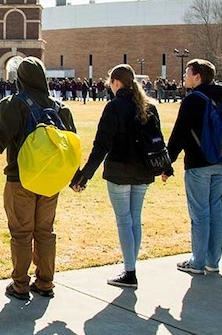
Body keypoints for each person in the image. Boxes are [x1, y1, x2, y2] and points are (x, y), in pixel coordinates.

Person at [0, 57, 76, 300]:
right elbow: (72, 145)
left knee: (21, 233)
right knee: (45, 232)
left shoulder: (13, 104)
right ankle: (45, 282)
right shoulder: (60, 107)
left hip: (21, 179)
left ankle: (20, 284)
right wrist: (76, 177)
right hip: (50, 181)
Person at [70, 64, 168, 289]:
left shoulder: (114, 107)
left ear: (115, 82)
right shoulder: (148, 107)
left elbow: (100, 147)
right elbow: (158, 141)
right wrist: (166, 166)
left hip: (120, 170)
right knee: (135, 218)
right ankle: (130, 267)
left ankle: (130, 271)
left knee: (125, 220)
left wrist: (84, 177)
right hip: (143, 170)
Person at [166, 59, 222, 275]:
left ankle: (197, 261)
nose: (184, 77)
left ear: (197, 77)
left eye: (188, 73)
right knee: (216, 211)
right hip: (220, 161)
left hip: (199, 162)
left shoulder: (193, 100)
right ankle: (212, 260)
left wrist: (168, 162)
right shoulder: (220, 98)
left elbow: (180, 132)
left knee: (200, 214)